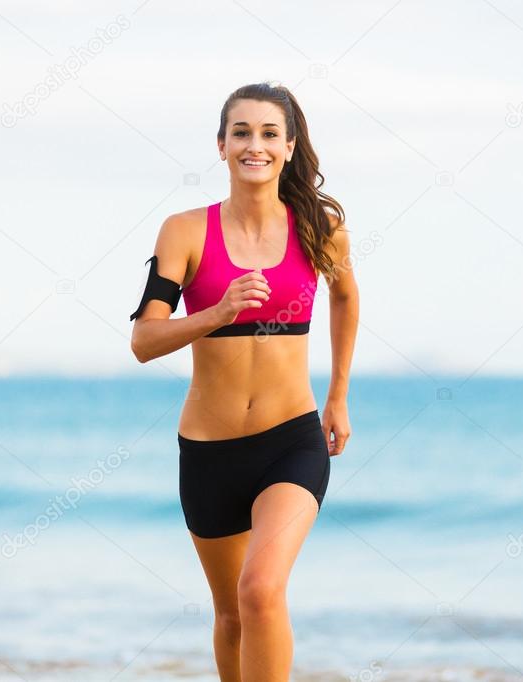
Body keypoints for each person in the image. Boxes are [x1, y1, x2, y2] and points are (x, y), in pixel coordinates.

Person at [129, 81, 359, 681]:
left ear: (288, 148)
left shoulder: (319, 228)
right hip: (208, 450)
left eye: (268, 133)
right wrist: (216, 312)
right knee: (231, 613)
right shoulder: (184, 232)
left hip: (291, 439)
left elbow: (345, 297)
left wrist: (337, 395)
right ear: (221, 146)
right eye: (241, 132)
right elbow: (143, 342)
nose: (254, 144)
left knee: (260, 590)